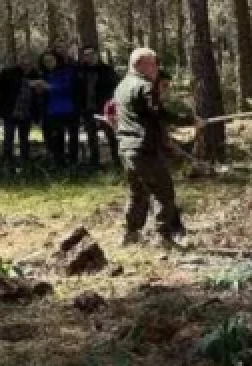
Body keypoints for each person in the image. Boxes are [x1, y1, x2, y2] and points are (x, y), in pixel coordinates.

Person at [114, 48, 186, 246]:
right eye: (154, 64)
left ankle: (130, 234)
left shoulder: (121, 86)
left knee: (138, 192)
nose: (156, 68)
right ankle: (164, 237)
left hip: (127, 148)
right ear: (141, 65)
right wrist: (188, 119)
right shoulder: (145, 86)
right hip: (144, 148)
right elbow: (158, 113)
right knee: (163, 191)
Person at [77, 45, 119, 167]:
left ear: (96, 55)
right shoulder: (81, 71)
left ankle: (117, 162)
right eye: (86, 55)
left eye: (91, 54)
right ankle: (94, 163)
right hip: (88, 109)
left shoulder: (107, 70)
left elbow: (116, 88)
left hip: (105, 109)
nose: (88, 57)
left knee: (111, 136)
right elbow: (78, 90)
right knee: (91, 137)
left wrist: (112, 106)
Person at [37, 50, 81, 166]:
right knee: (56, 140)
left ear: (57, 60)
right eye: (45, 61)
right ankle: (59, 164)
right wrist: (39, 90)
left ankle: (73, 164)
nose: (48, 63)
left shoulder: (66, 72)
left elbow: (68, 88)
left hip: (68, 110)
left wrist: (48, 87)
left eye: (51, 60)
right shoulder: (43, 75)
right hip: (51, 112)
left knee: (72, 139)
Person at [0, 53, 38, 167]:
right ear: (18, 61)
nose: (26, 64)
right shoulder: (7, 72)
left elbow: (37, 95)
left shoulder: (35, 74)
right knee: (8, 139)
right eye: (23, 61)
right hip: (10, 112)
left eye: (28, 62)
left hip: (26, 113)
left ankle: (25, 163)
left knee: (24, 140)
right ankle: (7, 164)